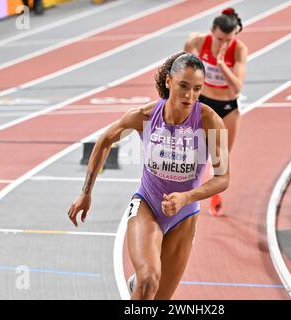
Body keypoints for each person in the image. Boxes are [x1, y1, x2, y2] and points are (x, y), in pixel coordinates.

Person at [67, 52, 229, 300]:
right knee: (148, 281)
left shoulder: (210, 121)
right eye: (183, 86)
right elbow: (104, 141)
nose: (189, 96)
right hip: (147, 205)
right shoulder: (144, 116)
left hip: (184, 216)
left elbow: (223, 178)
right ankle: (140, 283)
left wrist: (187, 197)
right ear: (168, 82)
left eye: (197, 89)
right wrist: (85, 192)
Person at [184, 7, 247, 216]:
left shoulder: (239, 50)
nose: (223, 44)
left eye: (228, 40)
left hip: (228, 106)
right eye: (220, 39)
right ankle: (186, 195)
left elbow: (237, 87)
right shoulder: (197, 42)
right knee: (196, 152)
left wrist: (221, 65)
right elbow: (182, 65)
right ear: (212, 31)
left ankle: (215, 195)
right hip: (203, 102)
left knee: (222, 157)